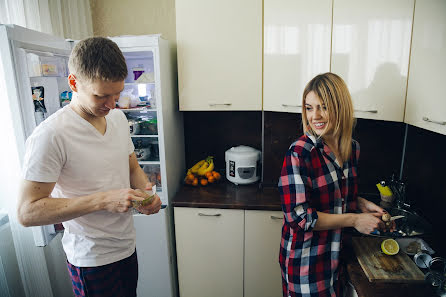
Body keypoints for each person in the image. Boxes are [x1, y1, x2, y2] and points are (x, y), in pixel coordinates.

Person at [17, 37, 162, 297]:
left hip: (127, 246)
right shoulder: (51, 135)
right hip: (91, 259)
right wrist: (103, 200)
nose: (112, 103)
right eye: (101, 95)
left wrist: (147, 193)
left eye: (117, 93)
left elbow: (131, 167)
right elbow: (28, 212)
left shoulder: (117, 118)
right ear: (74, 82)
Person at [278, 72, 392, 297]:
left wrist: (359, 203)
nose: (315, 116)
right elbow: (301, 218)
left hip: (338, 259)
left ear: (340, 107)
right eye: (309, 108)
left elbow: (334, 192)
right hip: (306, 265)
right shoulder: (301, 152)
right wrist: (355, 219)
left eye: (323, 107)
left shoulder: (352, 148)